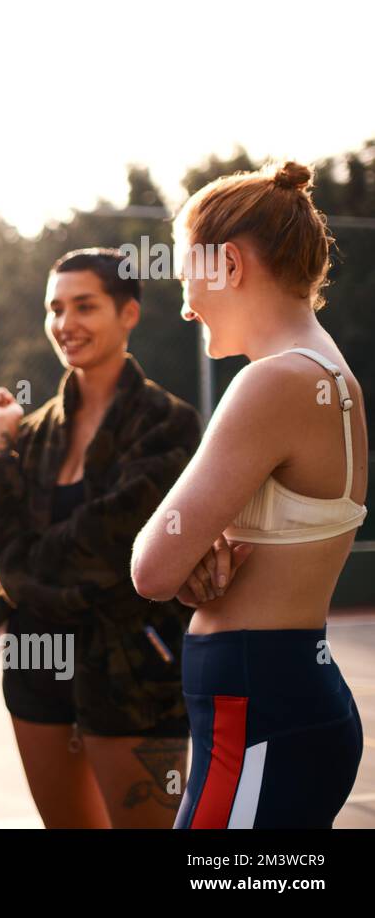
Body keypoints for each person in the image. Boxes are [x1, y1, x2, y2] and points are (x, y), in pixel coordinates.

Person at [132, 161, 366, 829]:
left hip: (256, 708)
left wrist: (183, 560)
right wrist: (195, 564)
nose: (183, 305)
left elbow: (150, 565)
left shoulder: (274, 382)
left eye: (186, 278)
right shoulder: (331, 377)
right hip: (283, 699)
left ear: (229, 264)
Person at [0, 248, 202, 828]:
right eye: (55, 308)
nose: (66, 324)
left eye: (85, 306)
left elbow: (108, 555)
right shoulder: (35, 430)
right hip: (36, 663)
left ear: (129, 314)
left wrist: (15, 577)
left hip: (134, 668)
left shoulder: (168, 423)